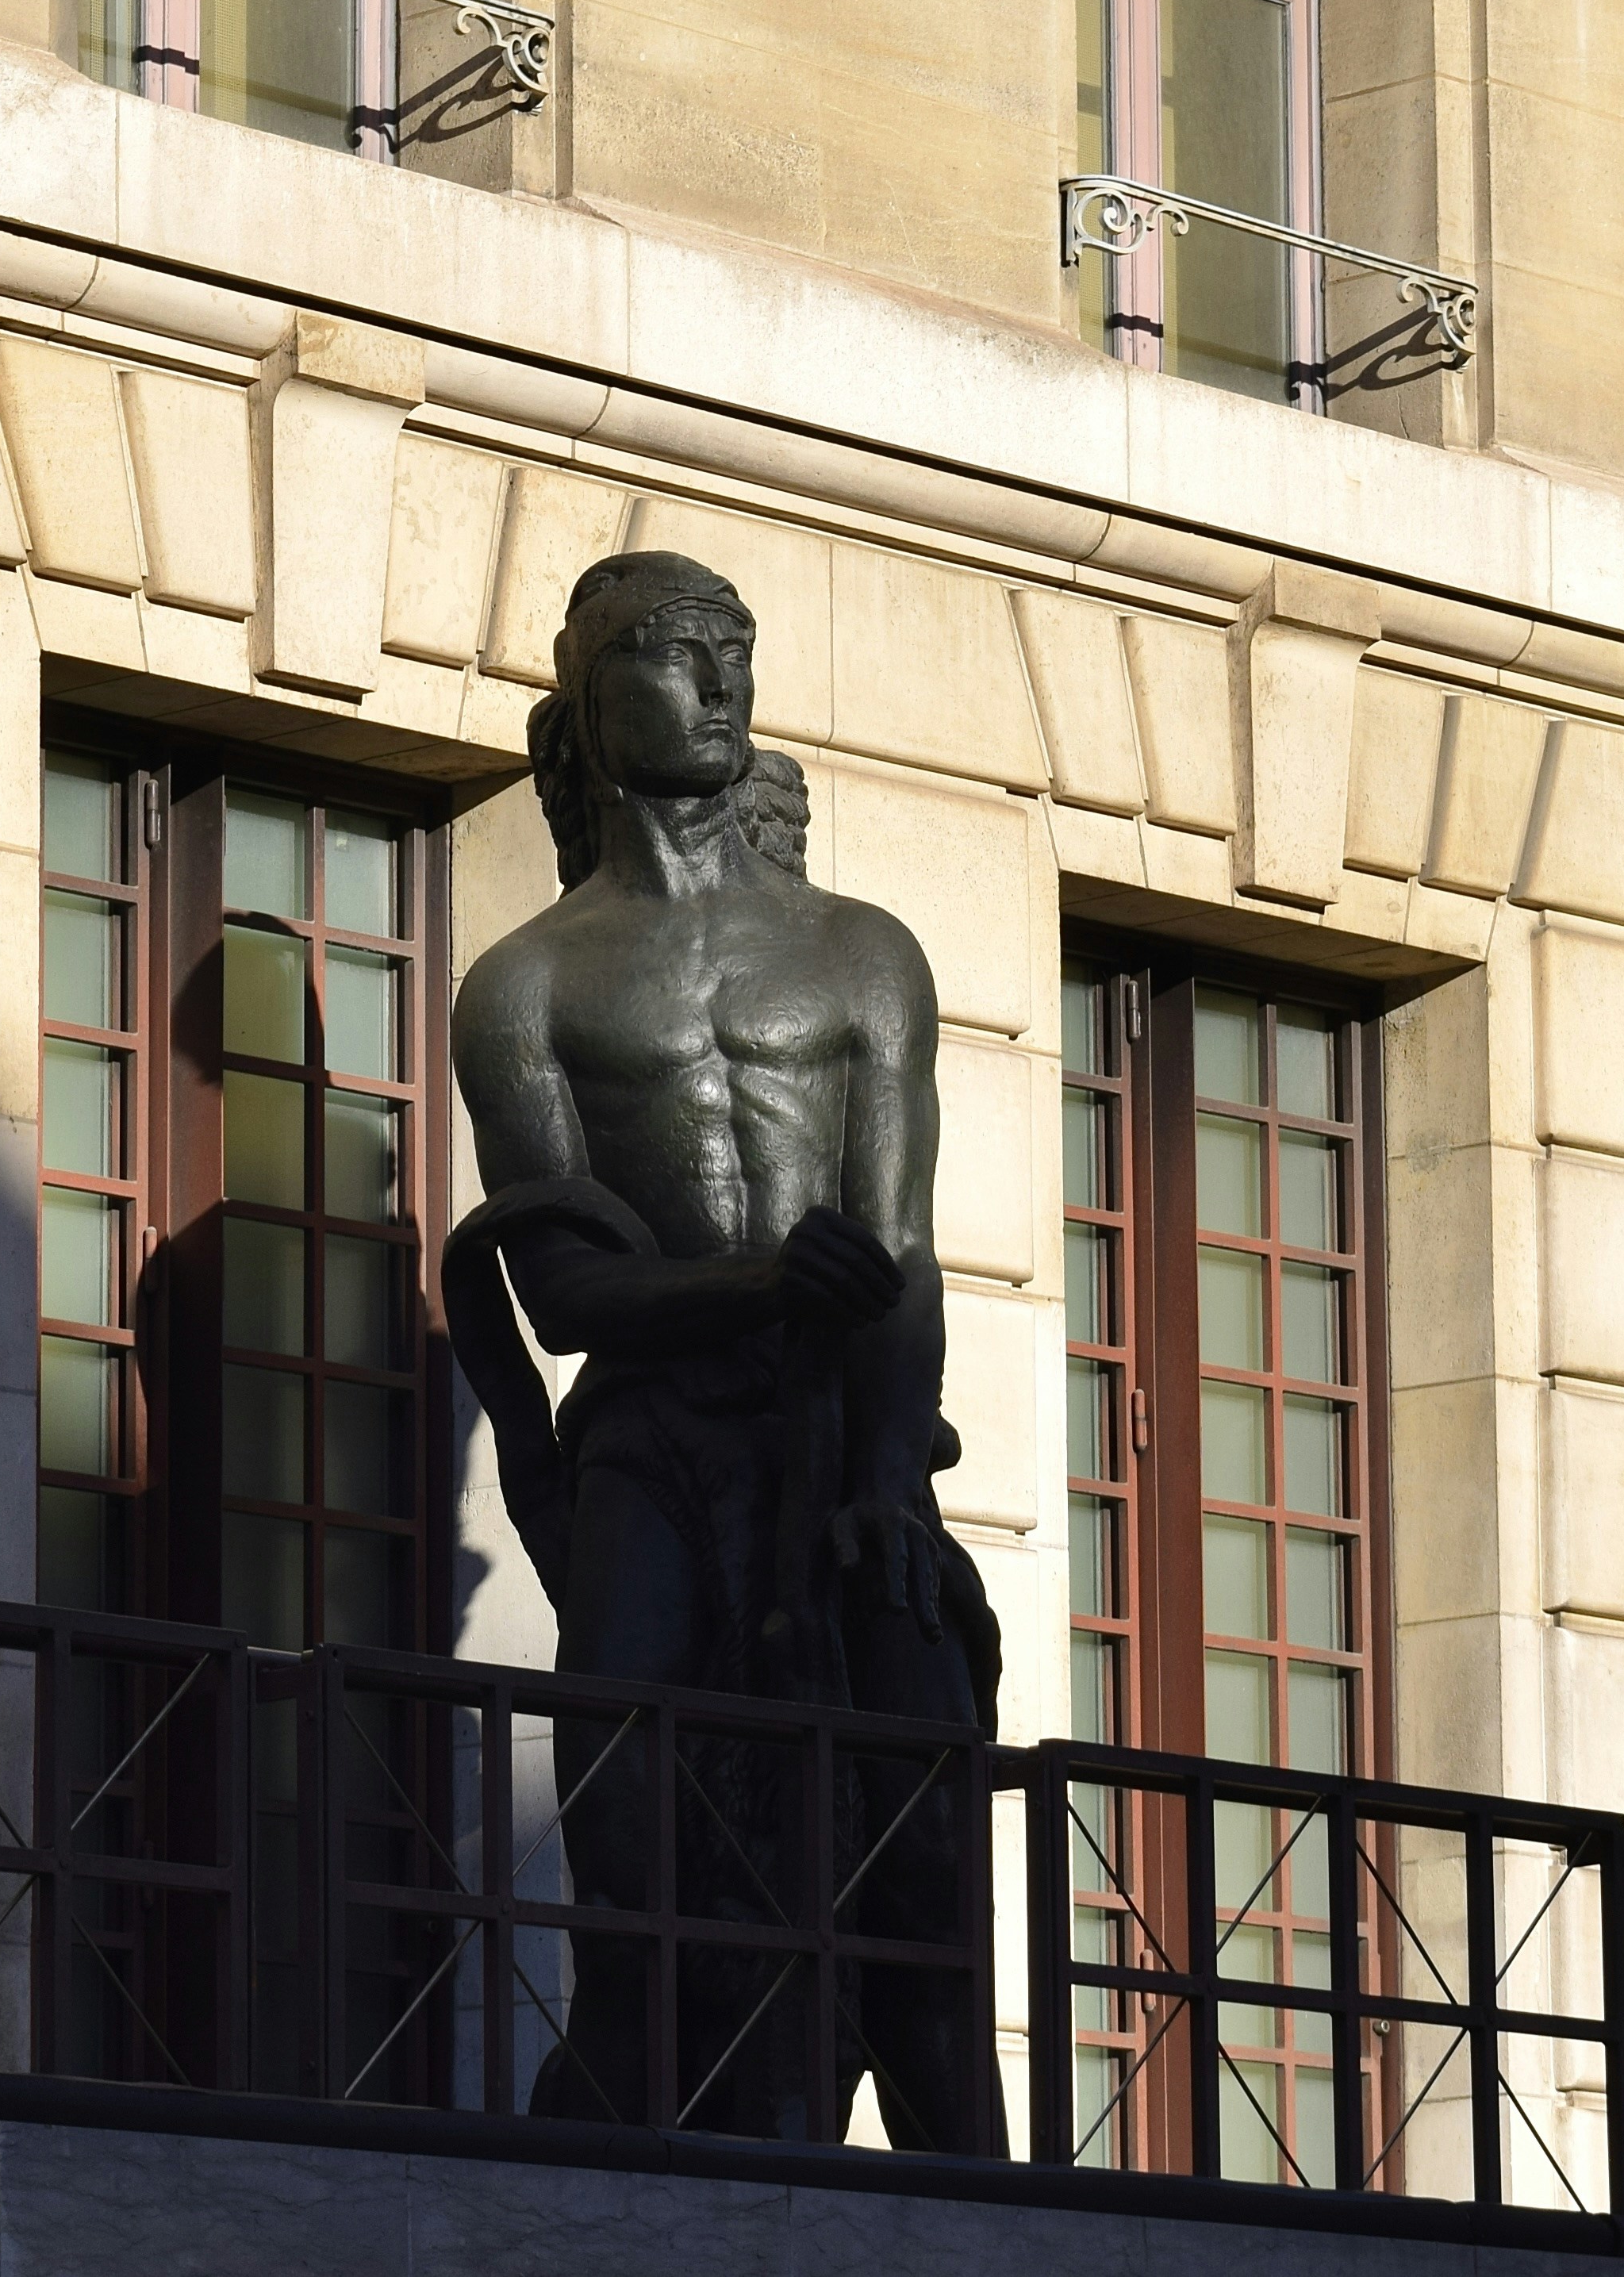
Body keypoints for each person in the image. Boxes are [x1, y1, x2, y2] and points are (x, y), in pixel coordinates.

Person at [446, 551, 999, 2147]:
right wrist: (761, 1284)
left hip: (844, 1446)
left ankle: (985, 2219)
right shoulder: (526, 984)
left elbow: (896, 1245)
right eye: (679, 655)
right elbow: (561, 1295)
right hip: (651, 1448)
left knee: (919, 1874)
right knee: (633, 1840)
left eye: (735, 650)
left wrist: (891, 1476)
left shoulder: (860, 953)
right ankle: (615, 2168)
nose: (719, 681)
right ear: (591, 706)